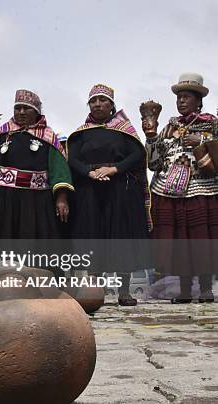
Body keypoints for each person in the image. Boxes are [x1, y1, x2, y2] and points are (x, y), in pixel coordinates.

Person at [68, 84, 150, 306]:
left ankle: (124, 291)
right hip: (90, 190)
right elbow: (72, 159)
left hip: (120, 190)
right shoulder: (81, 133)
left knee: (121, 236)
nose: (97, 104)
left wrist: (114, 169)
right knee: (94, 236)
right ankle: (96, 291)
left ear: (112, 104)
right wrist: (90, 172)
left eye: (102, 100)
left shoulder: (124, 130)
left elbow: (136, 156)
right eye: (93, 101)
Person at [144, 73, 218, 304]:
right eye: (179, 97)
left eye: (186, 97)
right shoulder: (169, 128)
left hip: (201, 190)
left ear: (198, 100)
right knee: (178, 241)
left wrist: (201, 142)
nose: (181, 101)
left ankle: (206, 288)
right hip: (170, 191)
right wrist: (152, 137)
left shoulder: (212, 124)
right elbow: (154, 163)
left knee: (201, 239)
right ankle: (185, 291)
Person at [0, 89, 72, 239]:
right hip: (0, 200)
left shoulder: (49, 138)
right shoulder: (1, 134)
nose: (21, 112)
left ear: (37, 111)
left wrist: (61, 199)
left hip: (35, 202)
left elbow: (60, 171)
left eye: (27, 108)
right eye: (18, 108)